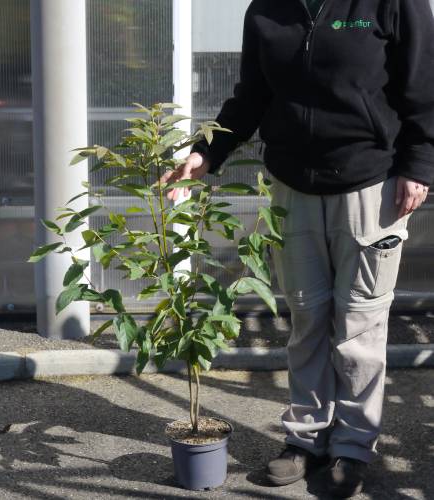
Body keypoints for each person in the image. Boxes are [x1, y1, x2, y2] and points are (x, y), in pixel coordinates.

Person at [159, 0, 434, 497]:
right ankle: (305, 439)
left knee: (359, 324)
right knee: (306, 317)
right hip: (292, 186)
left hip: (370, 183)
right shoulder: (266, 9)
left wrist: (419, 164)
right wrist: (207, 151)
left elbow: (422, 87)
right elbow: (252, 96)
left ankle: (352, 448)